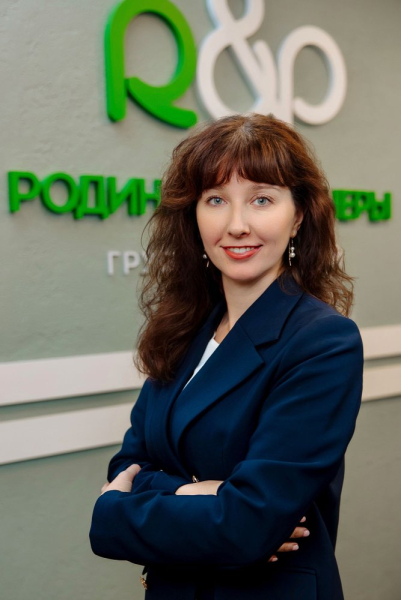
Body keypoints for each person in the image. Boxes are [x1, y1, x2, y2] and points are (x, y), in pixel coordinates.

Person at [89, 113, 364, 600]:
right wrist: (198, 492)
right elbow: (127, 463)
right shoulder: (183, 330)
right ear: (193, 215)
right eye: (216, 200)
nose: (237, 225)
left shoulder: (323, 341)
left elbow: (246, 525)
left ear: (299, 215)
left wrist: (117, 513)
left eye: (262, 199)